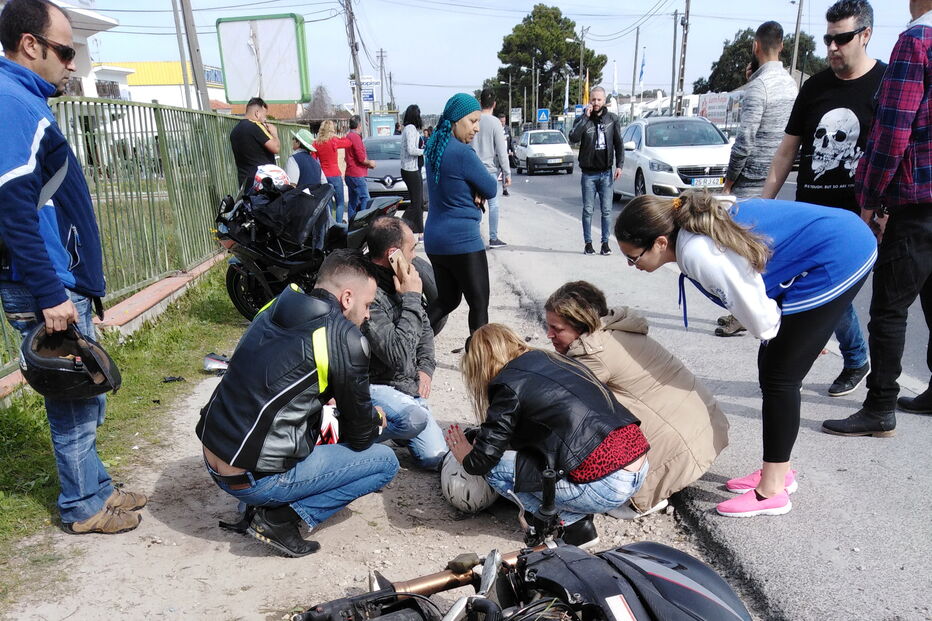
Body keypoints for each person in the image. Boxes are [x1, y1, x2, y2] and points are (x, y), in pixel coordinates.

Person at [614, 190, 876, 517]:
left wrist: (806, 333)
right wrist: (803, 331)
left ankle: (772, 492)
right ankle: (779, 471)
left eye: (633, 256)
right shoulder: (689, 228)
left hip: (841, 251)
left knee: (780, 376)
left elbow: (762, 322)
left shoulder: (699, 253)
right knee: (773, 366)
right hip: (831, 242)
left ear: (660, 243)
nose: (631, 264)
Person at [0, 0, 146, 534]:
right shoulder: (12, 102)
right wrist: (50, 292)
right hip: (47, 286)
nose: (73, 63)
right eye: (65, 50)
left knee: (85, 397)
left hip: (57, 280)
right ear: (30, 44)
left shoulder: (22, 99)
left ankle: (97, 487)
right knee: (74, 404)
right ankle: (83, 507)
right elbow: (12, 211)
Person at [197, 249, 399, 557]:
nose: (368, 314)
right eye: (368, 304)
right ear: (347, 298)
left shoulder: (277, 304)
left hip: (214, 458)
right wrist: (373, 418)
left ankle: (261, 503)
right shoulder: (343, 337)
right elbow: (360, 438)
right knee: (385, 462)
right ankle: (278, 518)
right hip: (251, 480)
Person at [761, 0, 884, 397]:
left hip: (863, 214)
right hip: (813, 213)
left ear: (865, 35)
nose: (832, 47)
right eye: (828, 39)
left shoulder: (885, 83)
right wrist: (763, 207)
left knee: (871, 303)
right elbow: (786, 151)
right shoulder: (814, 87)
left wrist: (882, 211)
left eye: (842, 39)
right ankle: (855, 358)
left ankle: (875, 376)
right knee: (826, 292)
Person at [823, 0, 932, 436]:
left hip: (918, 200)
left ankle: (880, 406)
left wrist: (868, 197)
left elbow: (892, 130)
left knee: (889, 309)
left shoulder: (916, 40)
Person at [445, 324, 649, 547]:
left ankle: (571, 525)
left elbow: (482, 461)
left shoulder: (507, 384)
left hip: (606, 484)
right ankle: (576, 518)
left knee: (493, 469)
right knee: (525, 465)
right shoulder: (553, 359)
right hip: (637, 463)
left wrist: (466, 455)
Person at [544, 281, 729, 518]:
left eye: (556, 329)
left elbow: (560, 406)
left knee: (578, 425)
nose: (549, 334)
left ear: (583, 325)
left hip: (679, 448)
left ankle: (647, 497)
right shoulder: (616, 329)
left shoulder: (593, 354)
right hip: (707, 427)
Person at [716, 21, 798, 338]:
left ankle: (745, 315)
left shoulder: (759, 87)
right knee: (766, 248)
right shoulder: (791, 86)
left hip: (751, 179)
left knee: (742, 252)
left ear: (755, 46)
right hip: (777, 177)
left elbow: (745, 139)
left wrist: (729, 180)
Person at [363, 216, 446, 470]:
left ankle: (396, 424)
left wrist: (425, 368)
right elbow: (396, 355)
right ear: (393, 254)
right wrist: (410, 297)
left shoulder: (401, 277)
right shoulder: (367, 292)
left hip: (406, 388)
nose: (414, 256)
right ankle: (363, 433)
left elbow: (425, 330)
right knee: (412, 421)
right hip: (375, 388)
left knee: (434, 457)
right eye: (411, 249)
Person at [423, 93, 498, 335]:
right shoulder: (463, 153)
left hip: (435, 240)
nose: (476, 128)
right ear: (456, 121)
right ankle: (479, 366)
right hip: (462, 241)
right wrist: (477, 187)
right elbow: (491, 187)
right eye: (472, 121)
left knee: (447, 300)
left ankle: (408, 343)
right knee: (478, 305)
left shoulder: (434, 148)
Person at [569, 86, 623, 256]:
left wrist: (619, 165)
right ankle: (588, 243)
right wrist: (585, 118)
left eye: (599, 99)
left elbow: (619, 144)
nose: (596, 103)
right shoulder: (583, 119)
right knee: (588, 210)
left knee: (607, 211)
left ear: (604, 100)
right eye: (593, 99)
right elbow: (573, 137)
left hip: (606, 173)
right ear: (589, 100)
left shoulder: (612, 119)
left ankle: (605, 243)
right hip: (588, 174)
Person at [471, 88, 511, 248]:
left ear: (480, 102)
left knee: (475, 204)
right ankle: (493, 238)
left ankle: (474, 237)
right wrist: (507, 173)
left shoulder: (474, 120)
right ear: (494, 104)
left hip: (473, 170)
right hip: (490, 171)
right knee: (494, 204)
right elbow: (502, 151)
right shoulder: (495, 122)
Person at [230, 96, 280, 190]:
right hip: (262, 183)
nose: (265, 119)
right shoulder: (256, 126)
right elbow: (276, 148)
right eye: (264, 115)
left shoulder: (234, 131)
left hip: (245, 183)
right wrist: (274, 133)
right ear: (257, 113)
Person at [314, 120, 352, 225]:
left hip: (323, 176)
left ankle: (329, 224)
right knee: (340, 202)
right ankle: (338, 225)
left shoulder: (316, 143)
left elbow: (313, 159)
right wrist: (341, 136)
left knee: (328, 203)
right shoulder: (334, 141)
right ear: (332, 129)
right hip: (335, 174)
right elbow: (348, 143)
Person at [399, 104, 426, 236]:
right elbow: (411, 149)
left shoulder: (412, 129)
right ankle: (400, 226)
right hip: (409, 169)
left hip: (413, 168)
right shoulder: (410, 129)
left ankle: (419, 230)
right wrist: (425, 151)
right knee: (416, 203)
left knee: (419, 202)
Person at [497, 113, 514, 197]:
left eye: (504, 121)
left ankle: (505, 189)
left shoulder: (507, 129)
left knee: (505, 171)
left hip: (505, 153)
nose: (502, 123)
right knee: (496, 171)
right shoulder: (496, 128)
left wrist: (512, 150)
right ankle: (494, 189)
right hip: (496, 153)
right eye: (501, 121)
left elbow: (510, 140)